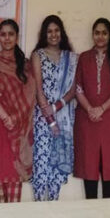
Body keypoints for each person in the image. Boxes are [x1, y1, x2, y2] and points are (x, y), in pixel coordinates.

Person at [0, 19, 36, 203]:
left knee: (14, 178)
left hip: (18, 127)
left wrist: (14, 118)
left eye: (11, 34)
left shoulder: (25, 65)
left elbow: (31, 95)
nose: (7, 38)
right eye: (3, 34)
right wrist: (6, 118)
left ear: (17, 37)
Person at [74, 18, 110, 200]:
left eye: (104, 33)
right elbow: (78, 87)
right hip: (87, 120)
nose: (100, 36)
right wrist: (90, 109)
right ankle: (91, 212)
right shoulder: (84, 58)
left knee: (109, 164)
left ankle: (108, 212)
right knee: (89, 165)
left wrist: (101, 109)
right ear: (92, 35)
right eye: (97, 33)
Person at [30, 15, 78, 201]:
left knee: (57, 168)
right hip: (43, 119)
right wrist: (50, 120)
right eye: (49, 31)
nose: (53, 34)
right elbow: (38, 89)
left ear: (61, 33)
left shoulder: (71, 58)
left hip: (64, 118)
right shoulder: (38, 55)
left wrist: (57, 106)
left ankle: (54, 208)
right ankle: (39, 208)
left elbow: (73, 89)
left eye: (56, 30)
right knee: (42, 164)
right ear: (44, 34)